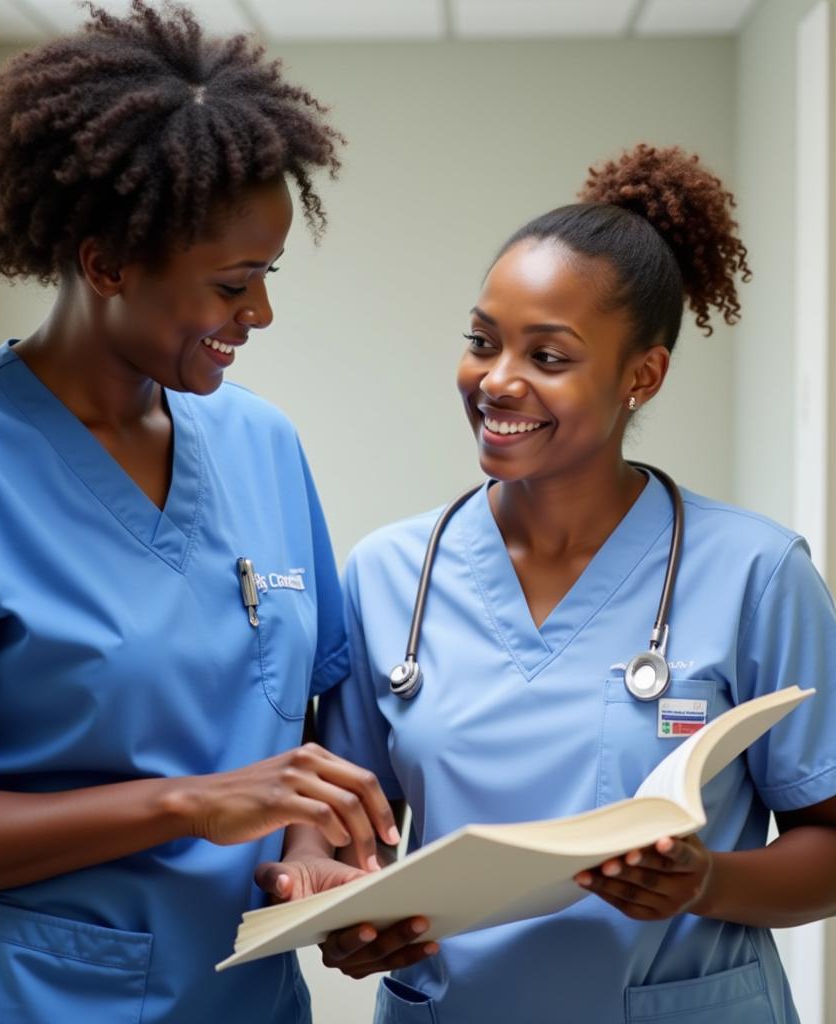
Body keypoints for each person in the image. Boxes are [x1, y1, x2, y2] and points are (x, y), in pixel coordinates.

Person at [0, 4, 400, 1022]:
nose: (257, 315)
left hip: (238, 995)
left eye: (266, 278)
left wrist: (313, 858)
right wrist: (191, 803)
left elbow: (300, 732)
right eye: (232, 284)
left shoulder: (261, 446)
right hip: (12, 998)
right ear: (105, 263)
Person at [257, 144, 836, 1023]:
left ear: (641, 376)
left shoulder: (757, 574)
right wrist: (345, 913)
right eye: (482, 341)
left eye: (548, 356)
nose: (497, 380)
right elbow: (344, 840)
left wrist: (705, 881)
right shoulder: (388, 576)